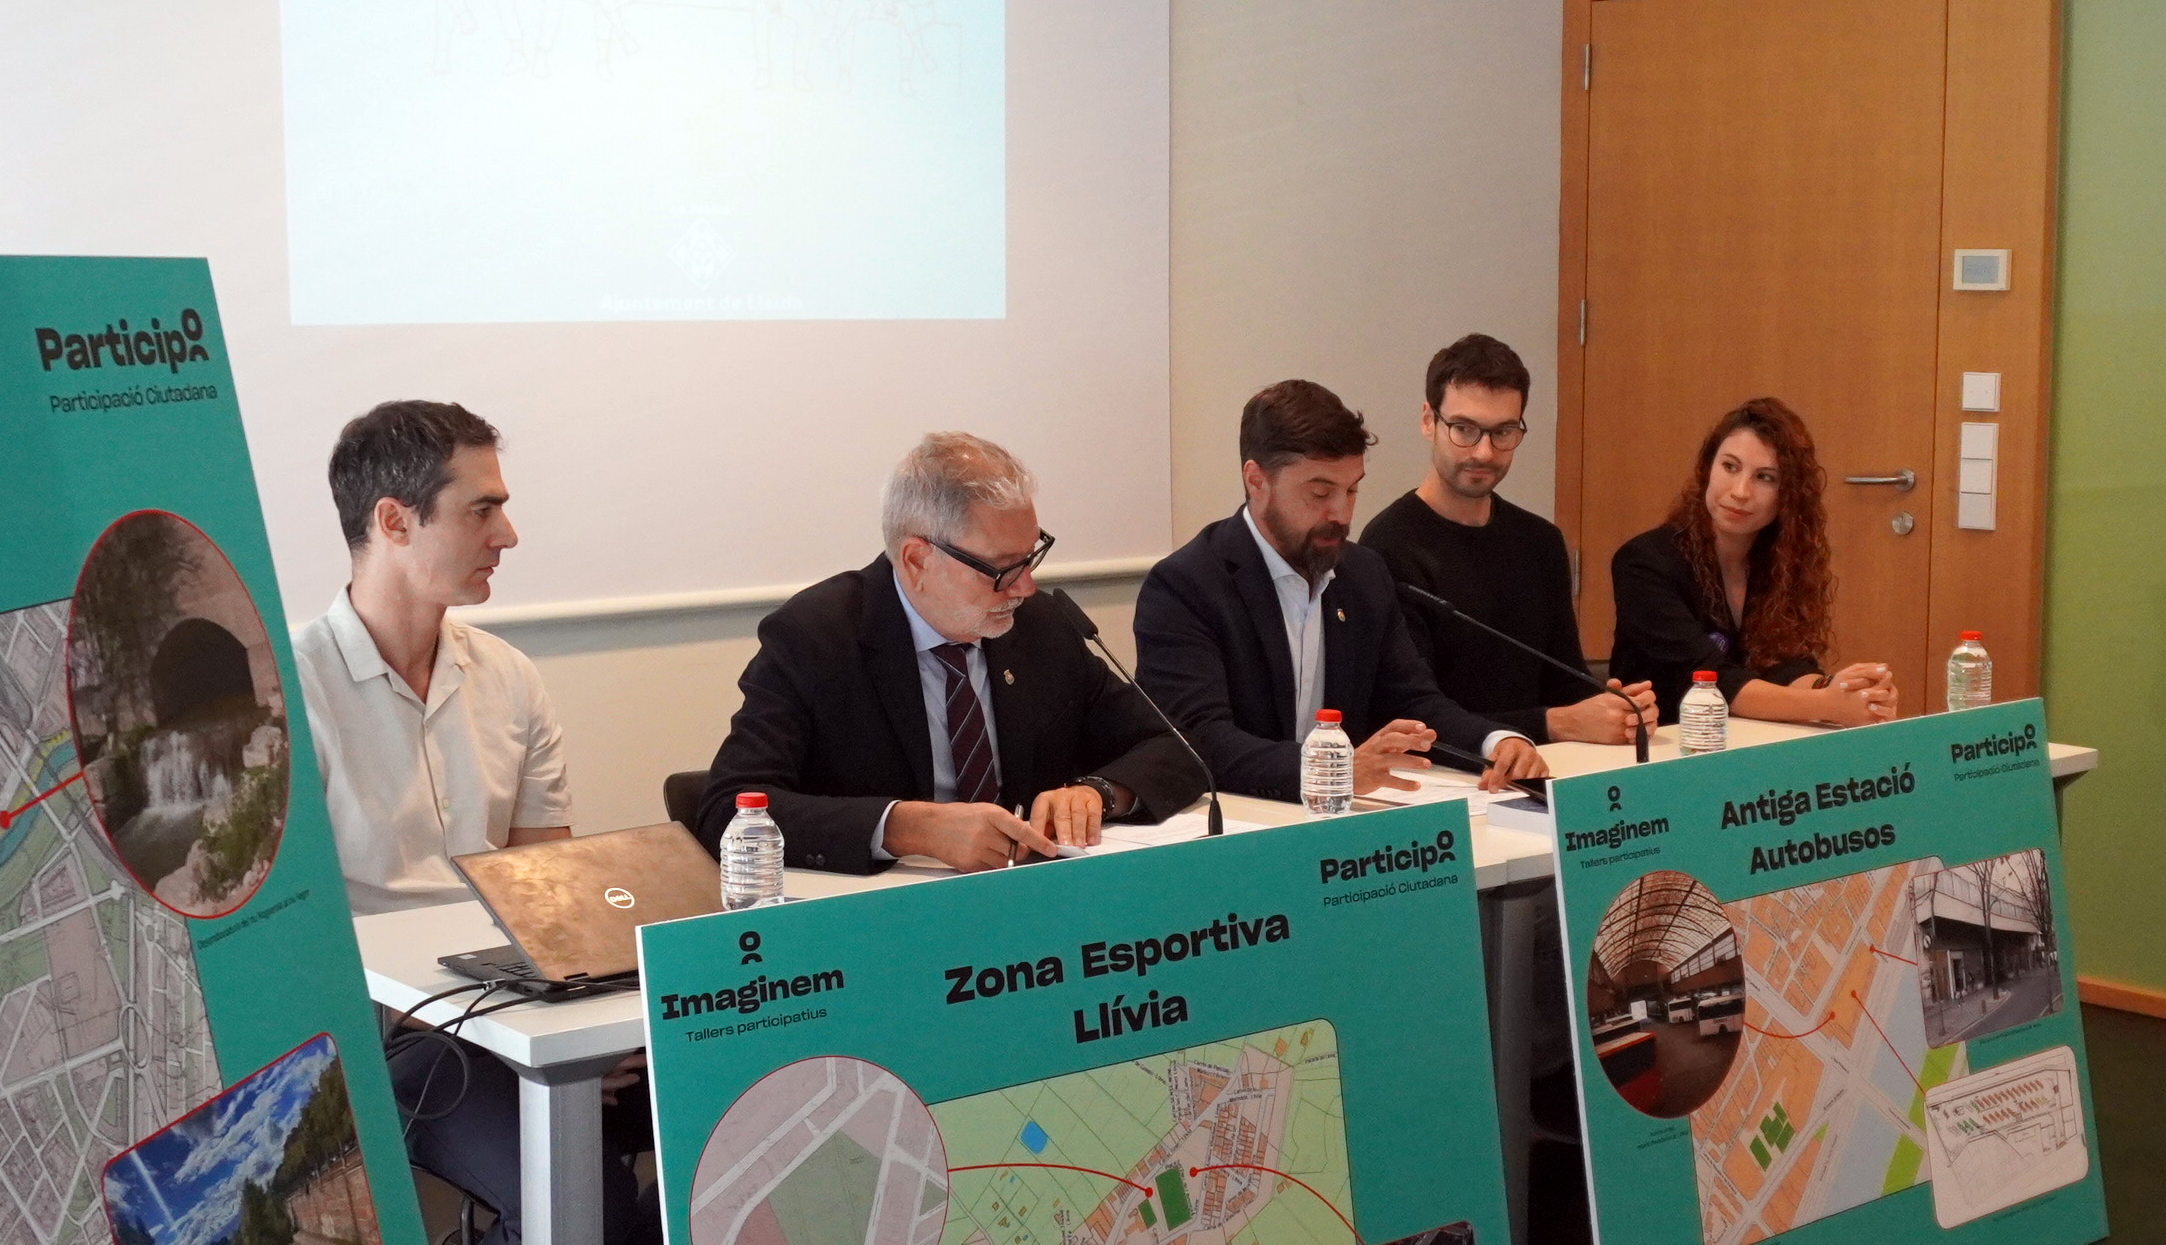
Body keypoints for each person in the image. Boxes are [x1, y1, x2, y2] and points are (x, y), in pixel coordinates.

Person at [288, 400, 657, 1245]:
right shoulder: (286, 689)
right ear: (393, 520)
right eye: (483, 508)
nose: (509, 534)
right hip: (376, 1033)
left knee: (711, 1150)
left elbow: (547, 896)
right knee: (585, 1208)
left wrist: (584, 1015)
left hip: (514, 1011)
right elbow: (285, 939)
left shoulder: (508, 677)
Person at [698, 431, 1207, 874]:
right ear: (917, 560)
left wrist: (1098, 793)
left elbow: (1175, 747)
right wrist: (905, 827)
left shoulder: (1041, 626)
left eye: (1031, 556)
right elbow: (727, 810)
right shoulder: (816, 637)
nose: (1025, 587)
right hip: (885, 918)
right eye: (1002, 568)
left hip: (1033, 901)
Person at [1134, 380, 1556, 802]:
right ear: (1257, 481)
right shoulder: (1186, 586)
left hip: (1341, 818)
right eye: (1320, 493)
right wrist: (1330, 768)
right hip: (1242, 817)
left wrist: (1496, 742)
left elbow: (1413, 702)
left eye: (1352, 489)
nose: (1341, 512)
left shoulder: (1362, 573)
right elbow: (1198, 740)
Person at [1359, 334, 1655, 749]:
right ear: (1428, 421)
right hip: (1445, 773)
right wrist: (1556, 723)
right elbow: (1414, 716)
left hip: (1543, 766)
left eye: (1503, 431)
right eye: (1464, 429)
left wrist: (1615, 711)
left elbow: (1565, 682)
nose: (1484, 452)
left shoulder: (1540, 541)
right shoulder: (1388, 547)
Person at [1606, 397, 1901, 725]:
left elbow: (1785, 664)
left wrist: (1845, 689)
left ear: (1788, 496)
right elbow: (1712, 680)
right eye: (1730, 467)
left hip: (1746, 740)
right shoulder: (1645, 561)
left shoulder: (1778, 560)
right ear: (1707, 469)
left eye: (1765, 477)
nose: (1741, 491)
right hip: (1663, 741)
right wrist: (1826, 706)